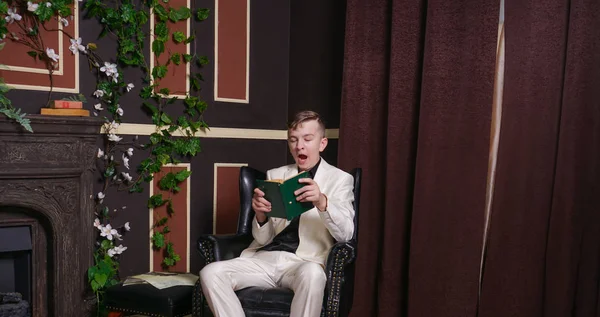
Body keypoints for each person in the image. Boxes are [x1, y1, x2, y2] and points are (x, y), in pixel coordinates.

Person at [200, 110, 355, 317]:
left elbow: (345, 235)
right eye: (293, 140)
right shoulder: (275, 175)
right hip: (264, 259)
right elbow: (262, 238)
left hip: (303, 263)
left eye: (307, 139)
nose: (299, 146)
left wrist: (322, 201)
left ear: (322, 143)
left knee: (313, 275)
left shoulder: (340, 180)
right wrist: (260, 215)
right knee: (210, 273)